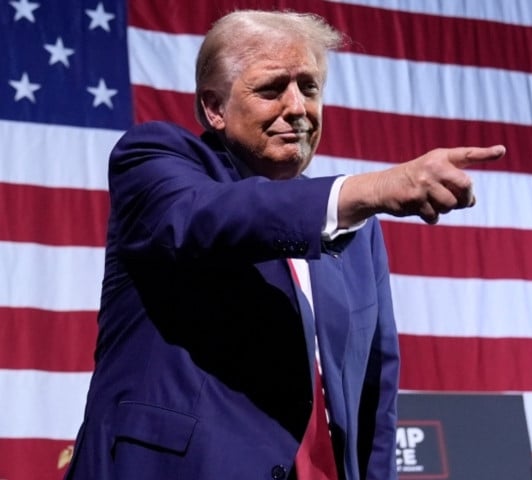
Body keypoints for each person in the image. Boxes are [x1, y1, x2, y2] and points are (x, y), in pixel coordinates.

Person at [63, 9, 505, 480]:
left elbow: (374, 390)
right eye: (272, 88)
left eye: (309, 88)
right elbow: (210, 218)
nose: (297, 107)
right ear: (214, 107)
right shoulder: (155, 161)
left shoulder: (355, 228)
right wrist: (372, 189)